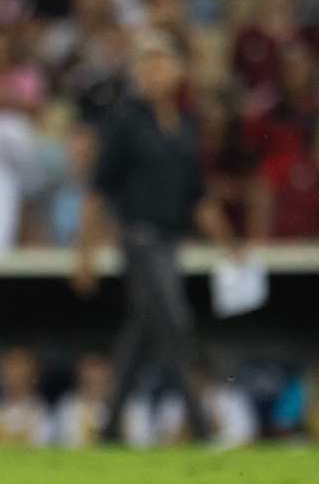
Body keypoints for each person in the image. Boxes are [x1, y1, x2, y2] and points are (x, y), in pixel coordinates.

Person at [73, 30, 239, 444]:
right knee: (176, 321)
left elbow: (198, 197)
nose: (153, 73)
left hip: (170, 240)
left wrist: (230, 244)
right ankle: (201, 425)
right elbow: (99, 190)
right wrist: (86, 253)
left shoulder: (184, 128)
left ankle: (109, 427)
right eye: (145, 65)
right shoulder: (126, 122)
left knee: (143, 332)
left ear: (178, 72)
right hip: (140, 237)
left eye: (161, 62)